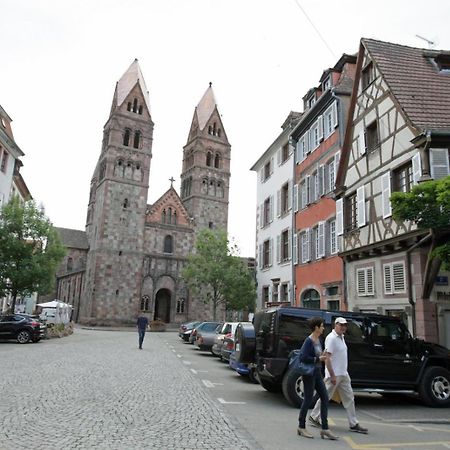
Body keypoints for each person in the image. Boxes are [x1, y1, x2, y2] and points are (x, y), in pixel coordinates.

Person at [309, 317, 368, 434]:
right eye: (341, 325)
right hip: (334, 374)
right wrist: (332, 375)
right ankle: (314, 415)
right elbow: (327, 358)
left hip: (343, 373)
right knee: (325, 397)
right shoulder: (331, 338)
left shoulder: (341, 337)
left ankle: (353, 423)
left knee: (349, 398)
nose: (343, 327)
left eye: (345, 325)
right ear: (335, 325)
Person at [297, 317, 338, 440]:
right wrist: (317, 359)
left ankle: (325, 429)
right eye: (321, 326)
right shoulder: (308, 341)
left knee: (325, 397)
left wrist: (322, 355)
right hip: (309, 374)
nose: (323, 328)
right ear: (316, 328)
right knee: (308, 399)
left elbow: (317, 355)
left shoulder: (318, 340)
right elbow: (303, 357)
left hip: (317, 373)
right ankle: (301, 426)